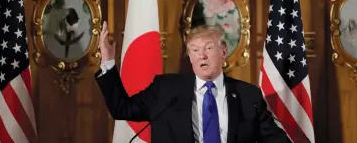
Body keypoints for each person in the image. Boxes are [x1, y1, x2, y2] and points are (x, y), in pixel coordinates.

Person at [95, 21, 291, 143]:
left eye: (208, 48)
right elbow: (122, 109)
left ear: (223, 52)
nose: (201, 56)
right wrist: (108, 62)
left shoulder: (249, 96)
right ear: (189, 57)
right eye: (195, 50)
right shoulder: (166, 90)